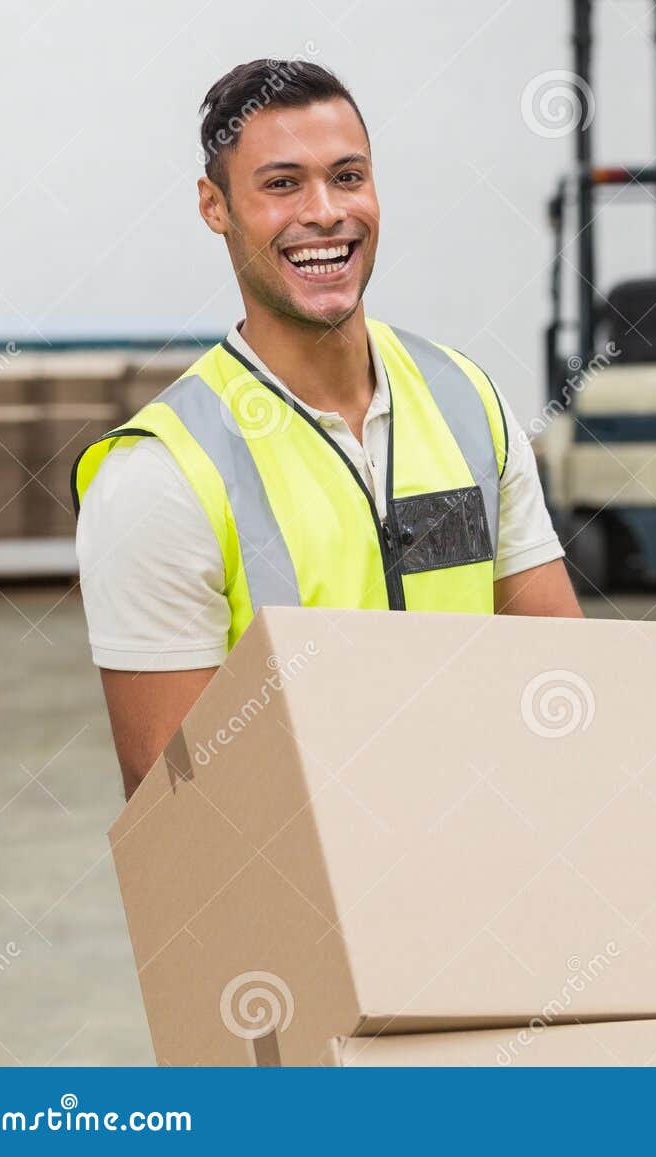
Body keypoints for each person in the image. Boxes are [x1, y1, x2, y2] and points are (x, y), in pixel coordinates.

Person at [74, 60, 582, 799]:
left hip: (485, 868)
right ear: (215, 207)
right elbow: (179, 802)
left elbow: (561, 674)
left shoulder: (467, 401)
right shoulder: (159, 477)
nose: (324, 212)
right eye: (282, 184)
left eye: (348, 177)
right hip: (303, 896)